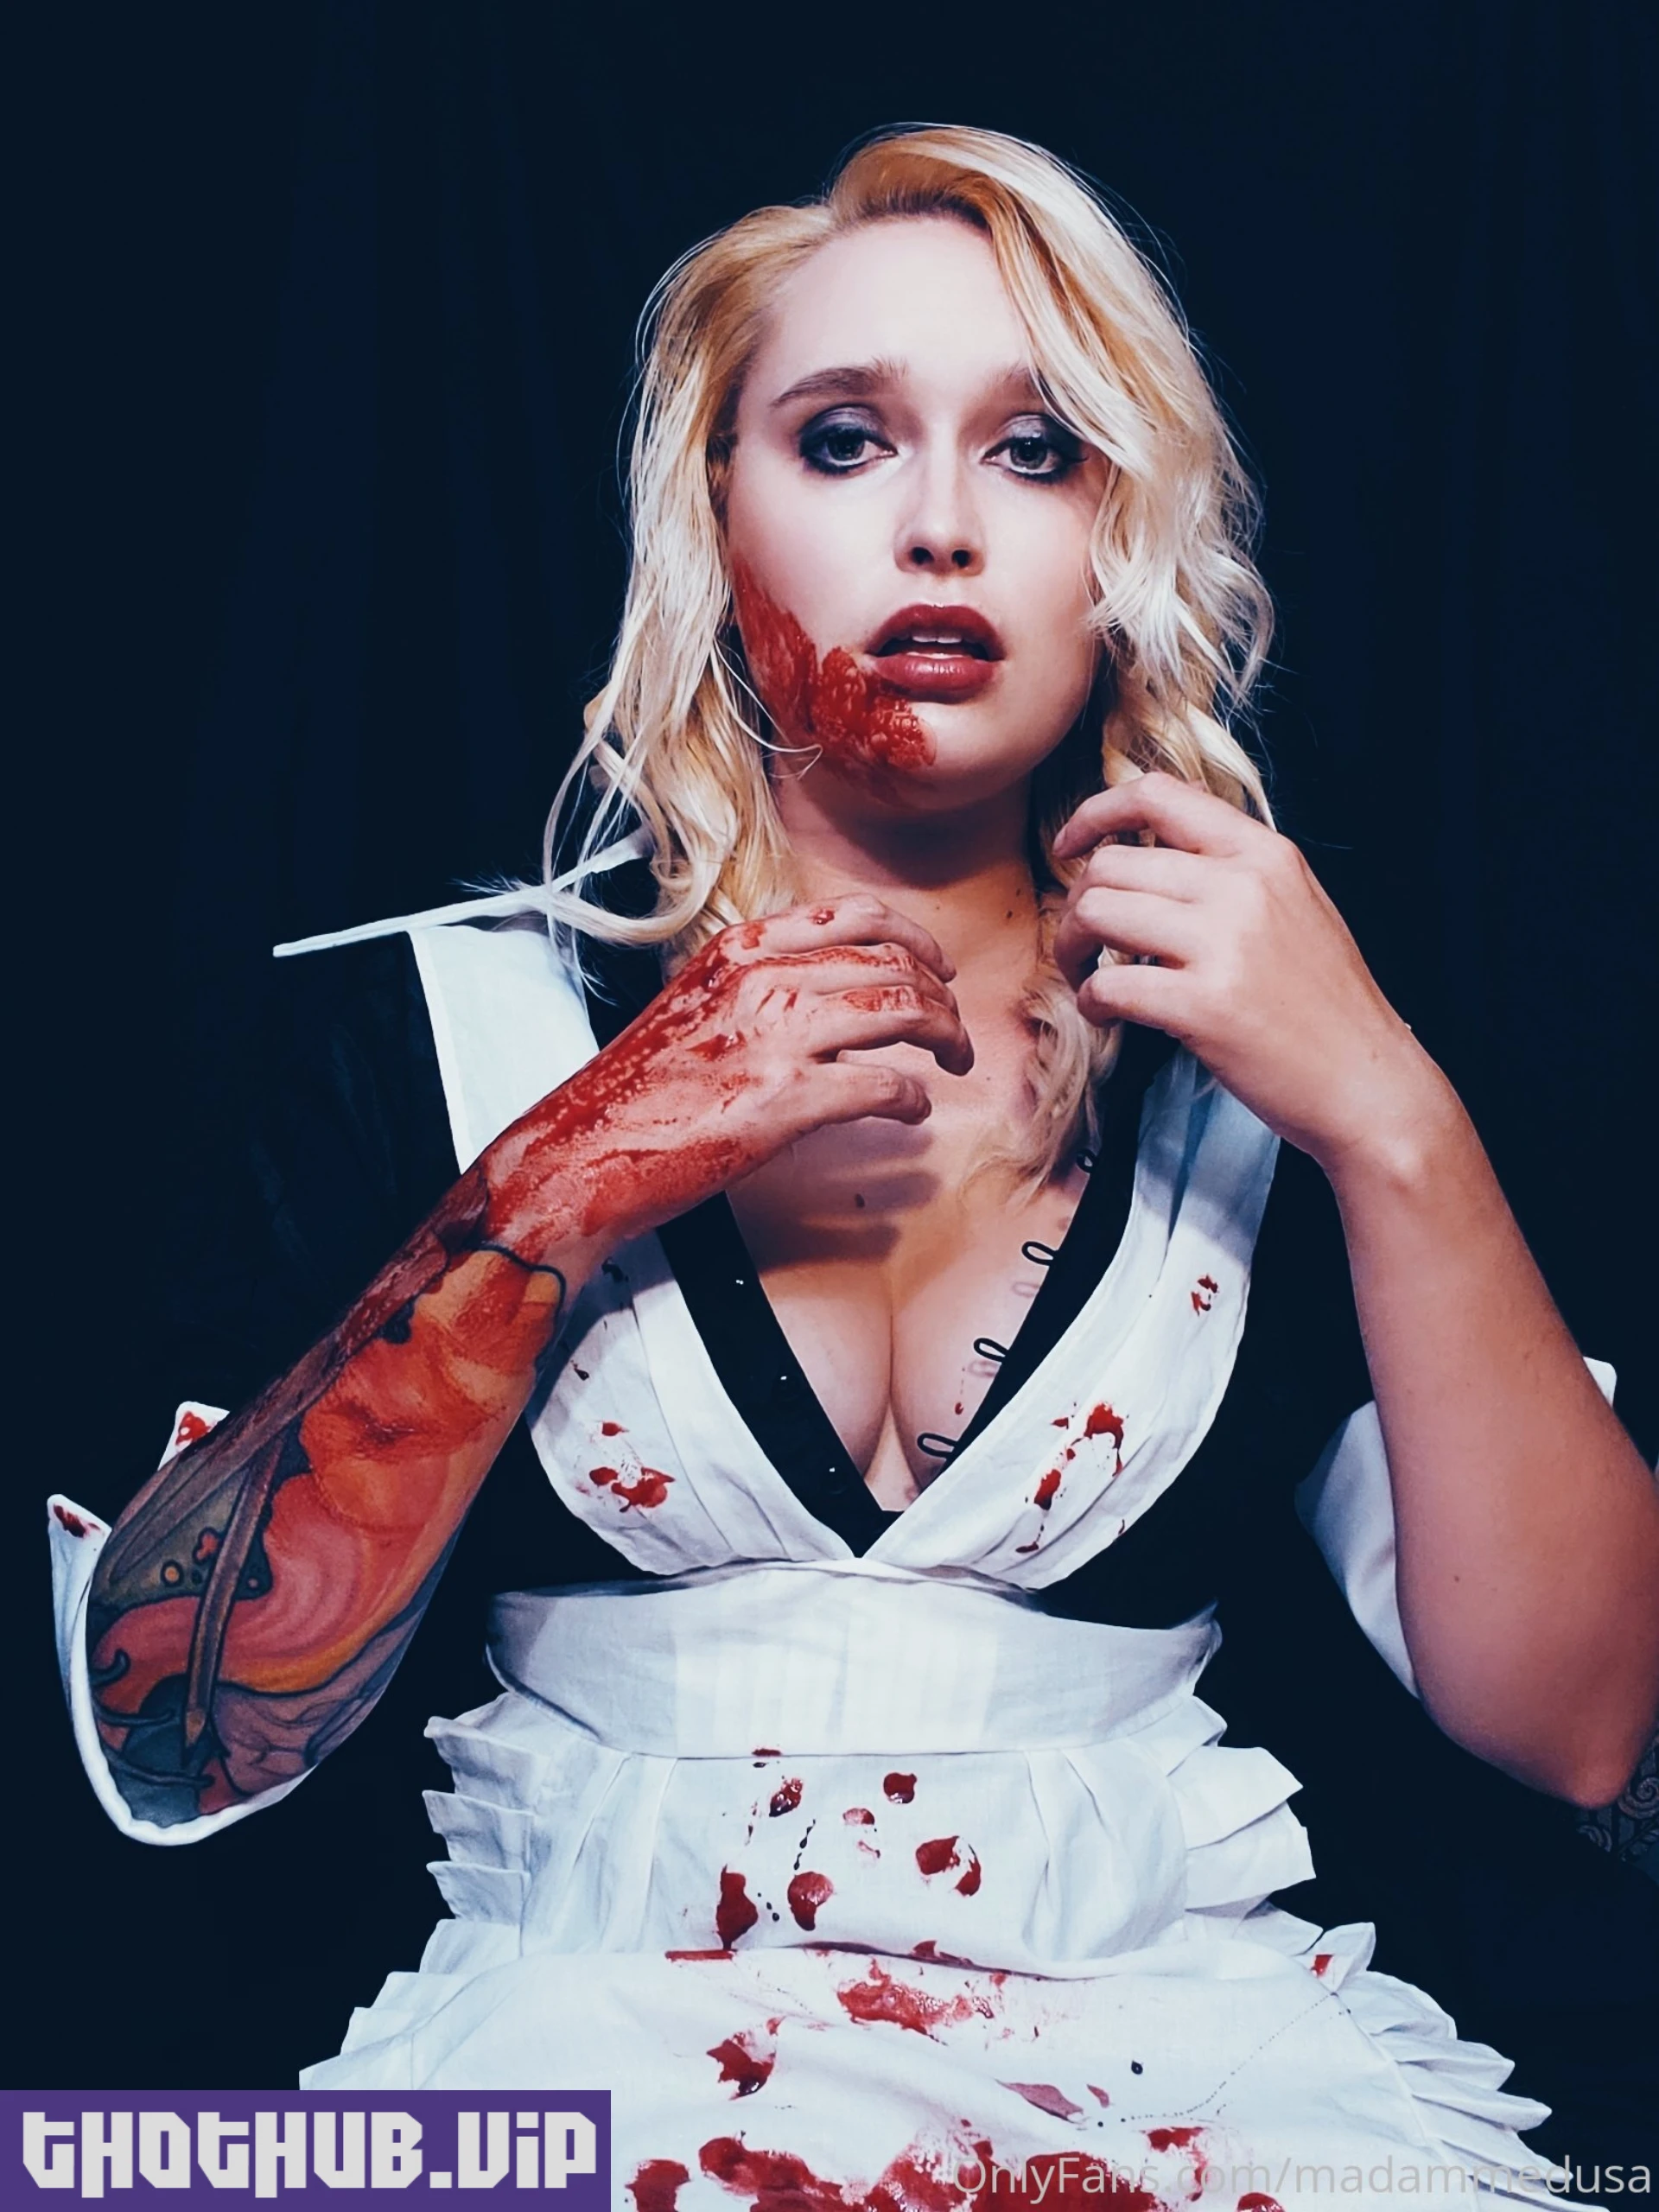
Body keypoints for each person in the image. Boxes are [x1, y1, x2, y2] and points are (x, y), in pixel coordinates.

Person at [50, 127, 1659, 2201]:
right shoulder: (445, 1028)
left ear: (1126, 537)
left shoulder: (1273, 1062)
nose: (940, 526)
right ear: (713, 516)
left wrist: (1396, 1120)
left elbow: (1581, 1722)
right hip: (598, 2073)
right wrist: (561, 1180)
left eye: (1037, 451)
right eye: (841, 439)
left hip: (1187, 2076)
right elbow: (175, 1733)